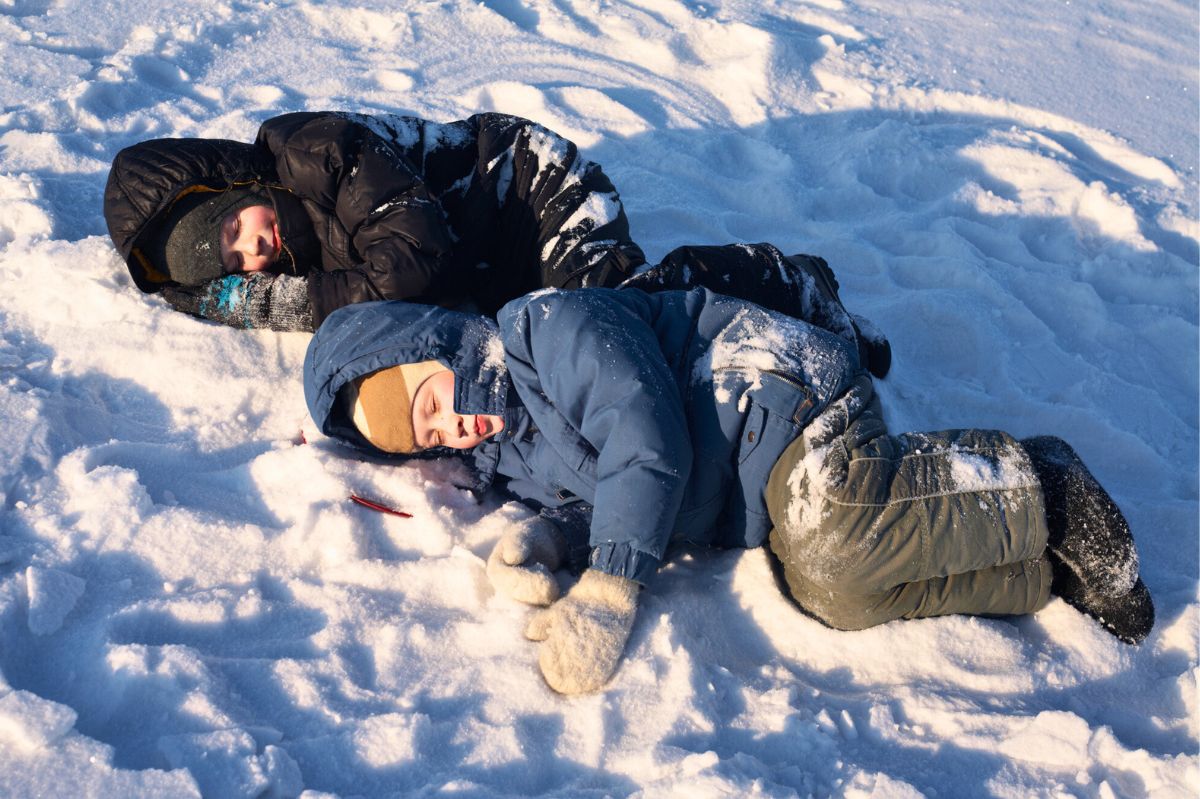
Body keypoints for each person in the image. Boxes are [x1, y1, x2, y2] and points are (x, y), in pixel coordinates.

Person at [301, 286, 1155, 694]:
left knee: (841, 527)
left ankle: (1040, 481)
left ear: (434, 350)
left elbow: (646, 437)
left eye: (429, 402)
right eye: (429, 437)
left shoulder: (544, 329)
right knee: (832, 588)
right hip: (758, 485)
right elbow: (600, 492)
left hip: (774, 397)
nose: (449, 428)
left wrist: (609, 587)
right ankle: (1039, 563)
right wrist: (554, 541)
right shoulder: (514, 461)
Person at [101, 110, 892, 377]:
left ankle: (787, 284)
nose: (253, 251)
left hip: (538, 194)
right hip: (499, 274)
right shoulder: (295, 245)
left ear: (234, 189)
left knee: (626, 315)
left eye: (234, 229)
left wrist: (304, 302)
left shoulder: (317, 149)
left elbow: (414, 254)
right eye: (236, 264)